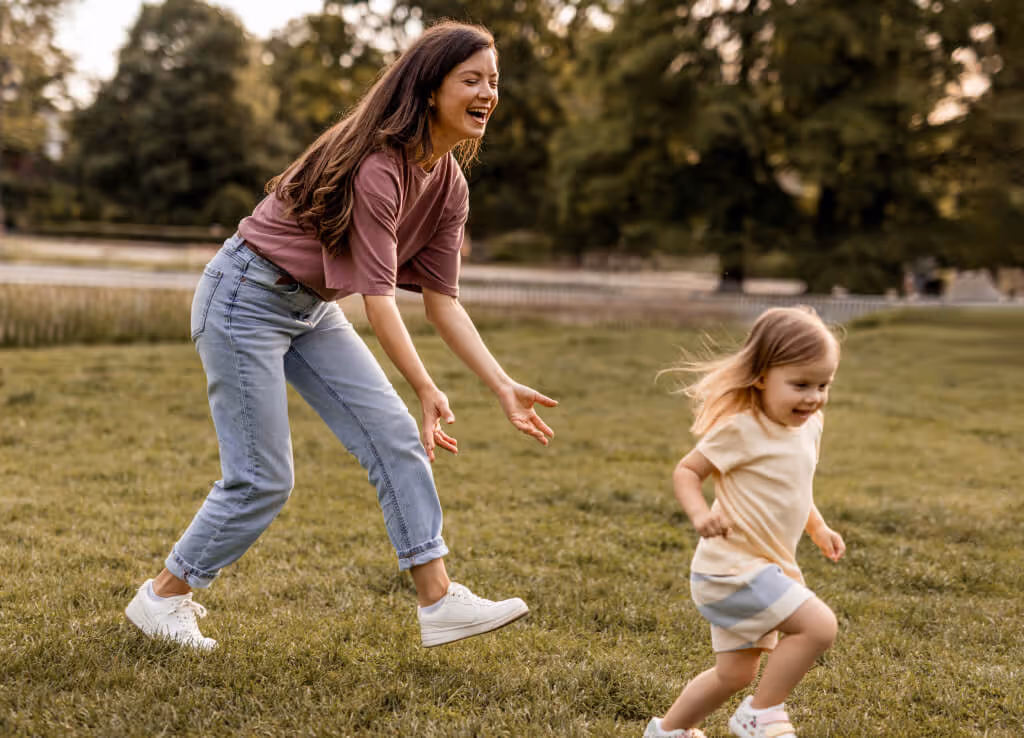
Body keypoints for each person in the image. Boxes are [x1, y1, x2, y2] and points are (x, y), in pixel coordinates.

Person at [125, 21, 557, 651]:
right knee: (263, 479)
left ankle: (438, 603)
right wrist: (426, 384)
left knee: (394, 437)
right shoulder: (379, 168)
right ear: (431, 89)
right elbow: (378, 302)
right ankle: (164, 597)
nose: (488, 91)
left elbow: (444, 305)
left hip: (310, 308)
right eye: (472, 79)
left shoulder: (449, 186)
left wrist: (501, 386)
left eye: (493, 81)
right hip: (246, 296)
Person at [644, 307, 846, 738]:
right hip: (731, 571)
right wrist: (701, 514)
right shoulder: (742, 428)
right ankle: (761, 714)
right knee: (819, 626)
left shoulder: (809, 427)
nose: (813, 397)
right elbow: (687, 471)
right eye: (800, 384)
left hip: (763, 571)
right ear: (761, 377)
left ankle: (668, 732)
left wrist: (818, 527)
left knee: (733, 675)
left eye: (823, 385)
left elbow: (795, 487)